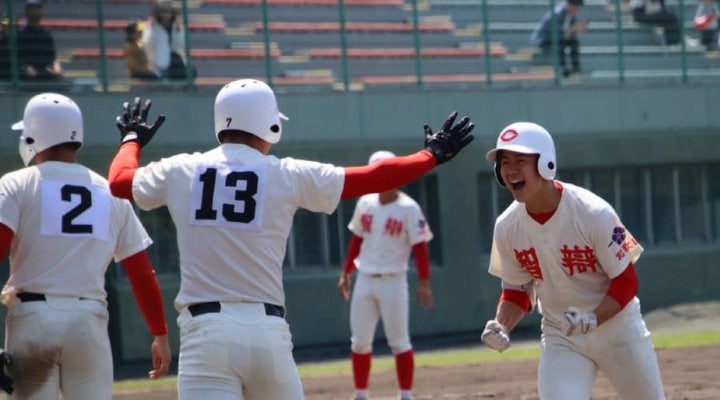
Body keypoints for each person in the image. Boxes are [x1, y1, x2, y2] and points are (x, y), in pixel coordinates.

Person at [106, 79, 474, 399]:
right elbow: (375, 176)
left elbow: (120, 182)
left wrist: (131, 140)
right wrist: (431, 155)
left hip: (205, 332)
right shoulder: (287, 173)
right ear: (268, 124)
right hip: (268, 331)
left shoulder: (180, 168)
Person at [1, 93, 171, 399]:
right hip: (88, 320)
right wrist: (160, 333)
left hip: (33, 318)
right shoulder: (108, 190)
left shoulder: (16, 184)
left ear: (33, 135)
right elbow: (142, 272)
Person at [479, 122, 667, 399]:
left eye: (520, 161)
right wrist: (502, 324)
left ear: (545, 164)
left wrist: (592, 317)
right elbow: (517, 291)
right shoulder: (507, 227)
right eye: (505, 163)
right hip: (562, 336)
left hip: (618, 331)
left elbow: (627, 281)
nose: (511, 170)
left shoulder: (593, 212)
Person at [338, 150, 436, 400]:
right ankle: (361, 394)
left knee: (399, 341)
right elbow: (357, 239)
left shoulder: (409, 208)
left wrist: (424, 282)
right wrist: (347, 271)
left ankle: (405, 394)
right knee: (359, 341)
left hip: (394, 280)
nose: (381, 180)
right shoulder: (365, 203)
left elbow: (420, 247)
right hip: (365, 279)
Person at [531, 0, 588, 78]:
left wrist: (577, 30)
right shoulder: (557, 13)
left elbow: (568, 34)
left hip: (557, 38)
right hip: (543, 40)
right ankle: (563, 71)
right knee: (561, 44)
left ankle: (576, 69)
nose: (577, 11)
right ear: (570, 5)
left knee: (574, 42)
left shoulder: (570, 14)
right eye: (575, 9)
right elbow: (557, 33)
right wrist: (572, 29)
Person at [13, 0, 63, 80]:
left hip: (43, 72)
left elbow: (52, 57)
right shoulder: (20, 35)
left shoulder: (45, 34)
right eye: (33, 16)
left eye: (37, 15)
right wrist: (25, 67)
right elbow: (17, 59)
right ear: (27, 14)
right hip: (26, 76)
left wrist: (57, 67)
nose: (35, 17)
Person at [142, 0, 190, 79]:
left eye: (167, 12)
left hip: (176, 61)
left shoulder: (176, 27)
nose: (164, 15)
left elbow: (182, 44)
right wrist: (150, 27)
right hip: (159, 63)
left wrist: (179, 29)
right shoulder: (152, 28)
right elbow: (147, 43)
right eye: (162, 12)